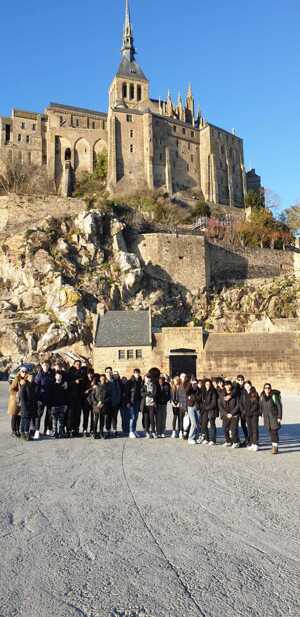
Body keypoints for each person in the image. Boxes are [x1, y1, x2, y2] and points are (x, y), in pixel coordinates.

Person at [259, 383, 283, 454]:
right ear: (264, 389)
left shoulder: (274, 396)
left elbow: (279, 407)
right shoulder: (262, 396)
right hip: (266, 418)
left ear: (270, 388)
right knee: (270, 431)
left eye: (269, 388)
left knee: (274, 431)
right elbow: (260, 406)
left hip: (274, 417)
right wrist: (260, 414)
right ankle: (274, 445)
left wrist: (279, 417)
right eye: (266, 388)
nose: (267, 389)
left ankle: (275, 447)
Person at [34, 360, 54, 439]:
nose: (46, 366)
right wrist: (37, 399)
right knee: (39, 415)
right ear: (42, 366)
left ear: (49, 366)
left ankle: (47, 430)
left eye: (47, 365)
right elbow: (36, 388)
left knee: (49, 415)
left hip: (49, 398)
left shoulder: (51, 374)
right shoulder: (39, 375)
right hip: (41, 399)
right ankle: (37, 431)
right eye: (44, 365)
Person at [219, 380, 240, 448]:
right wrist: (225, 414)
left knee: (233, 430)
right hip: (226, 415)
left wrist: (232, 413)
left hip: (234, 415)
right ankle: (228, 441)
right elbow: (220, 405)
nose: (227, 387)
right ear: (224, 386)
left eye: (229, 385)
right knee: (225, 429)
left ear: (231, 386)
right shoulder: (222, 394)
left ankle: (235, 442)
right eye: (226, 385)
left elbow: (238, 405)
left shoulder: (235, 394)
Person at [240, 382, 260, 451]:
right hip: (247, 415)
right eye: (245, 385)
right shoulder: (243, 393)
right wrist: (243, 411)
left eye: (248, 385)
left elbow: (256, 404)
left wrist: (250, 411)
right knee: (250, 429)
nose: (247, 386)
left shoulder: (254, 392)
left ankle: (256, 444)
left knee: (254, 429)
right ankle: (252, 443)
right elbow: (241, 403)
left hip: (254, 414)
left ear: (251, 385)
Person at [67, 360, 85, 436]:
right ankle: (69, 430)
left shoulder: (82, 372)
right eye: (77, 364)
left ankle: (76, 430)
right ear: (74, 364)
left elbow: (83, 381)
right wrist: (75, 381)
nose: (78, 365)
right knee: (71, 414)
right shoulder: (70, 372)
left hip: (79, 397)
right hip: (71, 396)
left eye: (79, 364)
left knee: (78, 414)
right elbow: (67, 383)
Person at [7, 367, 27, 437]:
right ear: (20, 372)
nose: (24, 373)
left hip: (22, 401)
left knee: (19, 416)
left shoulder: (26, 380)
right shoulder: (16, 379)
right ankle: (13, 431)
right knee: (14, 415)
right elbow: (11, 389)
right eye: (22, 371)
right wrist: (17, 393)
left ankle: (17, 430)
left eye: (25, 372)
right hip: (15, 400)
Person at [49, 372, 68, 438]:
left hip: (62, 405)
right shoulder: (52, 385)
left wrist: (66, 405)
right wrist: (51, 405)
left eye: (60, 376)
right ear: (55, 377)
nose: (58, 377)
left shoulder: (64, 385)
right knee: (54, 421)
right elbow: (50, 396)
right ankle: (55, 432)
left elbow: (66, 396)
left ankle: (60, 433)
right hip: (54, 406)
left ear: (61, 377)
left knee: (61, 421)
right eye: (57, 376)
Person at [200, 379, 218, 445]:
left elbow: (214, 403)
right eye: (207, 384)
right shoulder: (203, 391)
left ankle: (213, 440)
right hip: (205, 410)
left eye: (209, 384)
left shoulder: (213, 391)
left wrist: (206, 408)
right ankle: (206, 438)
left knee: (212, 425)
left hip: (211, 410)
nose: (208, 386)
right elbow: (201, 401)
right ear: (204, 385)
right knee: (204, 424)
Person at [127, 368, 143, 438]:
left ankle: (134, 430)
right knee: (132, 417)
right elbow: (126, 393)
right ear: (134, 373)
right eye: (136, 373)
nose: (137, 374)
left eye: (138, 373)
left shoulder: (140, 381)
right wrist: (128, 402)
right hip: (131, 402)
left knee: (136, 417)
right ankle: (130, 432)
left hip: (138, 401)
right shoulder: (130, 382)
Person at [233, 374, 249, 446]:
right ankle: (237, 440)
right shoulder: (235, 387)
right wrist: (236, 384)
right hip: (236, 408)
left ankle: (247, 439)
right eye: (239, 380)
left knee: (243, 425)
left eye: (242, 380)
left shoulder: (245, 387)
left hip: (243, 409)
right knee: (235, 425)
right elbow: (233, 393)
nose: (240, 381)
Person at [105, 368, 121, 437]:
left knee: (114, 417)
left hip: (114, 402)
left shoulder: (115, 381)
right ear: (105, 373)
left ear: (111, 373)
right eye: (107, 372)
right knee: (108, 417)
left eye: (110, 372)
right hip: (107, 403)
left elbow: (118, 391)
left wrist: (117, 400)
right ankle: (108, 430)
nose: (109, 373)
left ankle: (114, 430)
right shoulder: (104, 381)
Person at [141, 373, 157, 438]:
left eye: (148, 377)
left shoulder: (154, 385)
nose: (147, 379)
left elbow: (154, 394)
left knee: (152, 419)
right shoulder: (143, 385)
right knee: (146, 419)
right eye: (146, 377)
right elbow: (142, 394)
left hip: (152, 404)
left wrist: (147, 394)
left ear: (150, 378)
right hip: (145, 404)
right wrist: (148, 393)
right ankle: (147, 432)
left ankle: (153, 432)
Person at [19, 373, 35, 441]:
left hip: (30, 406)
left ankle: (23, 433)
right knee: (26, 419)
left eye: (32, 377)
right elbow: (22, 397)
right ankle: (25, 433)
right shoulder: (24, 386)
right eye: (30, 377)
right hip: (25, 406)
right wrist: (25, 407)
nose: (31, 379)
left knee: (25, 419)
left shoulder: (31, 385)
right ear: (27, 377)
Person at [93, 374, 110, 439]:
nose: (102, 379)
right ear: (100, 379)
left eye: (104, 378)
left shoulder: (107, 386)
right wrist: (96, 403)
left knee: (102, 420)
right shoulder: (96, 386)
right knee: (96, 420)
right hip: (96, 405)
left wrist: (103, 402)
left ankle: (101, 433)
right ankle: (94, 433)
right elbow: (92, 396)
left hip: (103, 405)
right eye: (101, 378)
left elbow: (109, 397)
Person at [186, 379, 201, 445]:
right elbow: (186, 391)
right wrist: (190, 383)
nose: (194, 385)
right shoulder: (190, 390)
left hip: (197, 408)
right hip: (191, 407)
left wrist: (191, 398)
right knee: (193, 423)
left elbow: (199, 398)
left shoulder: (199, 390)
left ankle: (196, 437)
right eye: (193, 384)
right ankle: (190, 438)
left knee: (197, 423)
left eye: (195, 383)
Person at [177, 373, 190, 439]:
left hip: (186, 405)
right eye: (182, 377)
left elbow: (186, 395)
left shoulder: (188, 384)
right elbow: (178, 395)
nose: (183, 378)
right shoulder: (179, 385)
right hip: (181, 405)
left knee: (187, 420)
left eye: (185, 377)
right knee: (180, 419)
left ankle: (186, 433)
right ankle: (180, 431)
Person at [83, 368, 95, 437]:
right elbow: (82, 391)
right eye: (89, 374)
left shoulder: (95, 380)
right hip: (86, 401)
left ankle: (92, 430)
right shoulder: (85, 381)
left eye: (91, 374)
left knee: (93, 417)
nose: (90, 375)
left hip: (93, 401)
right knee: (86, 416)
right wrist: (87, 391)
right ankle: (85, 429)